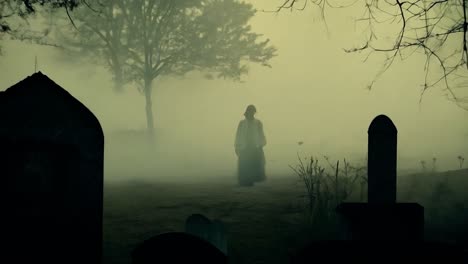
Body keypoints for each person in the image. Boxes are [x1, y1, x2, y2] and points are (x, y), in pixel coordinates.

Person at [234, 105, 266, 186]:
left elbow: (261, 134)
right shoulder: (242, 123)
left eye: (252, 112)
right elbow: (238, 135)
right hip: (244, 147)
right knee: (244, 164)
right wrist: (237, 146)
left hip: (254, 147)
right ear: (247, 113)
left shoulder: (258, 123)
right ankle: (245, 181)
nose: (251, 114)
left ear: (254, 113)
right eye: (250, 112)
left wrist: (261, 144)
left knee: (253, 164)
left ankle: (251, 180)